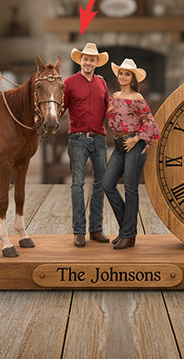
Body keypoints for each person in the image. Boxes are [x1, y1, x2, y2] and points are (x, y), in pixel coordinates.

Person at [104, 59, 159, 250]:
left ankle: (128, 235)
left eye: (127, 74)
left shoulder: (137, 98)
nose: (123, 76)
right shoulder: (114, 96)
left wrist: (136, 139)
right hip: (119, 145)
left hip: (134, 144)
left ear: (133, 78)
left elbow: (150, 122)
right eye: (121, 73)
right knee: (107, 184)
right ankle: (127, 230)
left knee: (130, 188)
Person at [62, 43, 110, 248]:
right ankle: (79, 231)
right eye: (86, 59)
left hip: (99, 139)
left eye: (92, 59)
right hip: (77, 139)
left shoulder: (102, 83)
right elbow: (60, 109)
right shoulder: (69, 83)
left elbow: (109, 109)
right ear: (80, 61)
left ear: (96, 63)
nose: (88, 62)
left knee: (100, 184)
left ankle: (96, 229)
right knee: (78, 184)